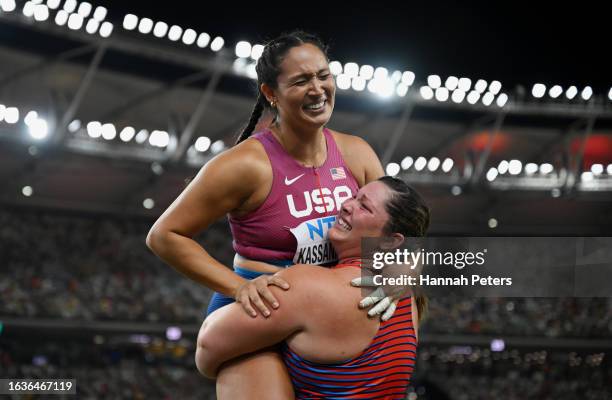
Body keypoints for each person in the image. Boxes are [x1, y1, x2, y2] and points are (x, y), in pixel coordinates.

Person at [146, 31, 388, 398]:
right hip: (257, 317)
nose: (318, 89)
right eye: (301, 80)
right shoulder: (244, 164)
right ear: (270, 94)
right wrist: (237, 287)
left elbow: (398, 227)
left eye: (324, 75)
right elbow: (165, 235)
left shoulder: (357, 154)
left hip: (327, 316)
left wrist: (397, 276)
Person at [196, 177, 430, 399]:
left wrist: (247, 275)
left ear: (392, 240)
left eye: (365, 207)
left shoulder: (310, 285)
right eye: (355, 196)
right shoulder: (409, 296)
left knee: (244, 356)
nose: (347, 205)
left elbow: (208, 344)